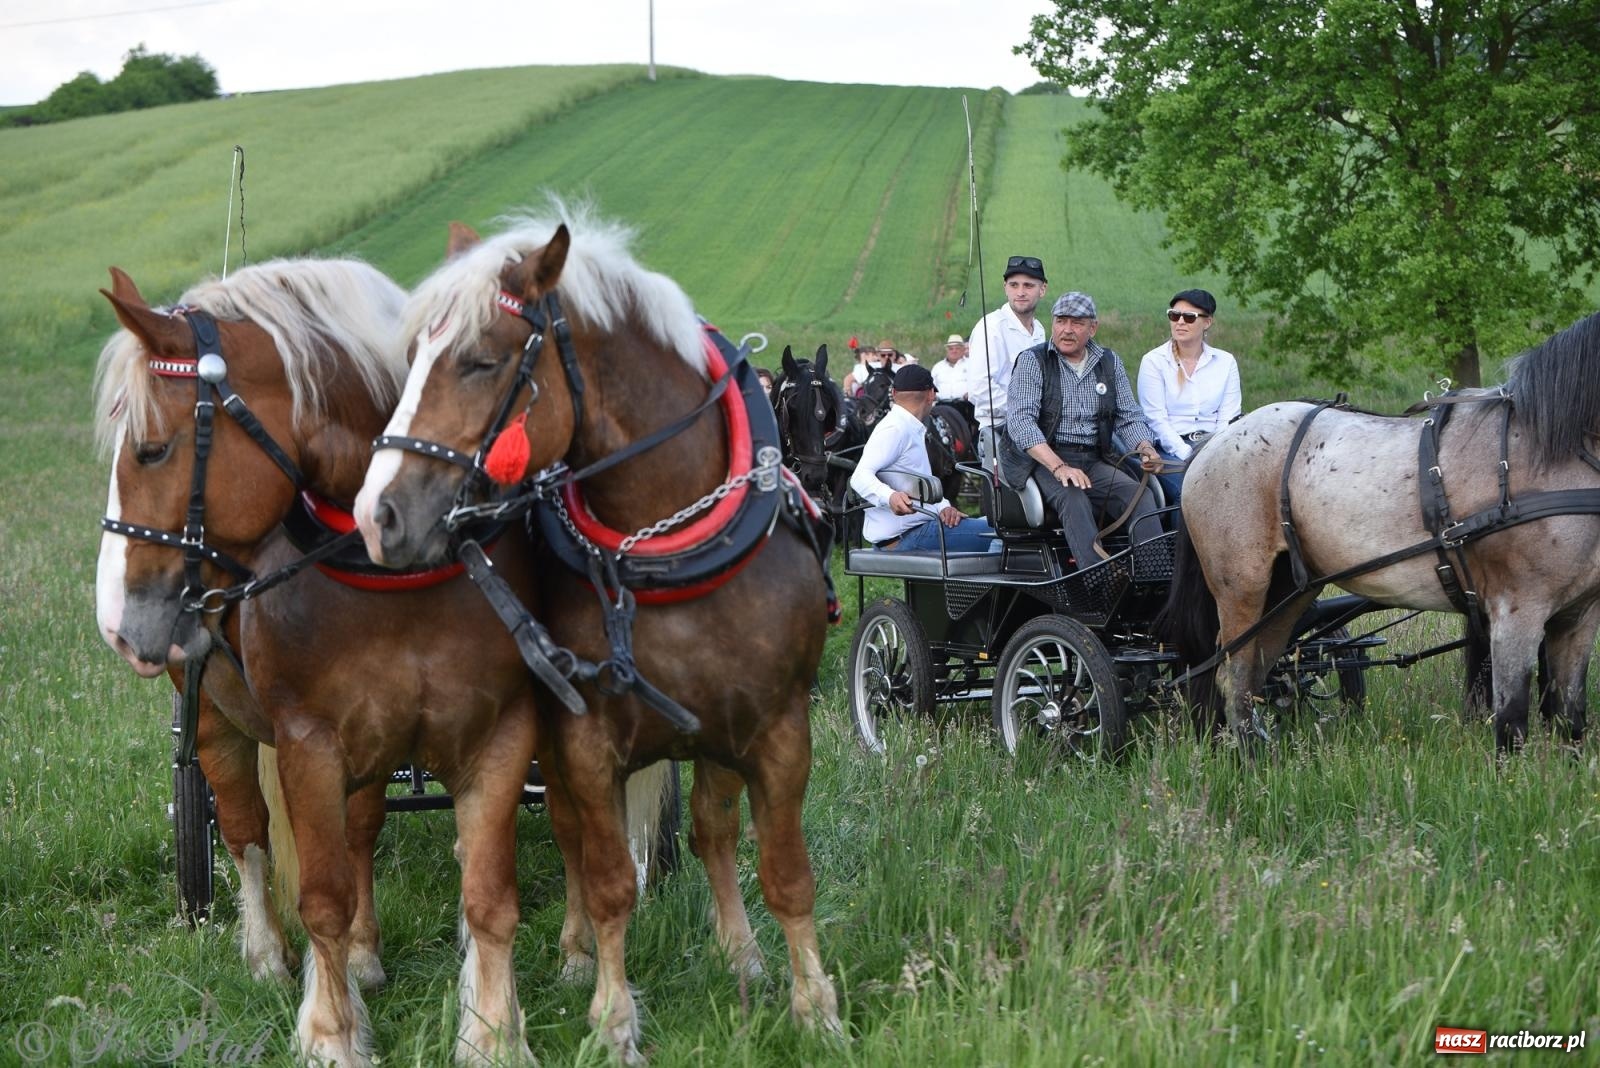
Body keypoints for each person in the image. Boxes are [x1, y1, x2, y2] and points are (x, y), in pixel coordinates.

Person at [1002, 291, 1162, 569]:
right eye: (1061, 321)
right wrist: (1060, 466)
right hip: (1042, 459)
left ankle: (1153, 575)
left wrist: (1146, 449)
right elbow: (1021, 423)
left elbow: (1128, 417)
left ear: (1093, 327)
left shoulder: (1110, 362)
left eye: (1076, 323)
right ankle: (1097, 579)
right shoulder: (1033, 361)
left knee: (1138, 495)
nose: (1066, 330)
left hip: (1094, 459)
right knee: (1073, 497)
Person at [850, 364, 996, 553]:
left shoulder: (908, 426)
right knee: (1002, 533)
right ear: (931, 395)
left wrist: (943, 507)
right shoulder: (895, 429)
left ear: (893, 393)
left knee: (995, 524)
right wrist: (890, 496)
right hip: (906, 535)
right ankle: (1000, 583)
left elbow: (917, 482)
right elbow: (859, 476)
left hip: (918, 527)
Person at [1136, 288, 1242, 503]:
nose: (1180, 322)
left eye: (1189, 317)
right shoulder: (1154, 361)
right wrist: (1187, 455)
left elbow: (1228, 418)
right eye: (1174, 316)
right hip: (1171, 451)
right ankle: (1178, 538)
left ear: (1207, 322)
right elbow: (1156, 419)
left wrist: (1212, 453)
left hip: (1215, 447)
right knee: (1190, 493)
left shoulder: (1225, 362)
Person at [964, 255, 1048, 462]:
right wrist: (1025, 412)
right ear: (1005, 287)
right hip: (1000, 431)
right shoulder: (991, 327)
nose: (1020, 292)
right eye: (1014, 285)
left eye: (1028, 285)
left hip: (1036, 428)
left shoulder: (1039, 331)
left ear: (1042, 289)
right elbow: (980, 390)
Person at [931, 333, 968, 401]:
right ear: (947, 350)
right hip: (941, 404)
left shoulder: (970, 365)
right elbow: (932, 386)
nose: (954, 351)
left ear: (963, 350)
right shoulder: (938, 367)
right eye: (951, 349)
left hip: (965, 404)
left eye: (957, 348)